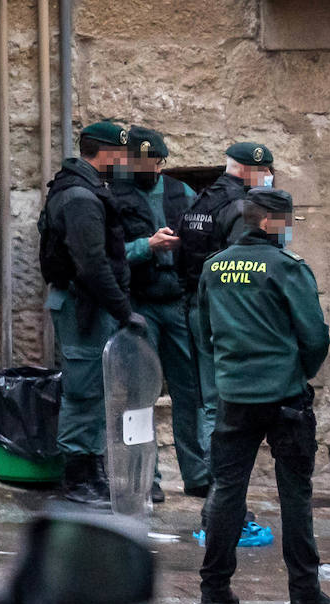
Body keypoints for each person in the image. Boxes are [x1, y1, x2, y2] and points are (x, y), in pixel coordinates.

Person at [195, 188, 330, 604]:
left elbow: (203, 333)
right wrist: (299, 372)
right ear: (268, 222)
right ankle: (304, 593)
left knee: (226, 490)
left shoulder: (214, 267)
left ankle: (215, 590)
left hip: (234, 395)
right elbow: (314, 336)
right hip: (284, 395)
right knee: (295, 493)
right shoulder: (287, 267)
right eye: (287, 221)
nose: (290, 230)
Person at [38, 119, 148, 507]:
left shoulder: (87, 189)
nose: (123, 160)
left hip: (91, 303)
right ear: (103, 152)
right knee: (83, 391)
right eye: (120, 153)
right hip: (84, 304)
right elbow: (91, 263)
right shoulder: (81, 197)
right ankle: (77, 477)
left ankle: (93, 471)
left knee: (96, 389)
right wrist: (124, 310)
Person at [109, 125, 209, 502]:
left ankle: (197, 474)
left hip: (178, 303)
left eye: (155, 161)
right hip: (140, 305)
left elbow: (203, 238)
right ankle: (144, 478)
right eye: (142, 160)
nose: (149, 167)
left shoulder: (180, 192)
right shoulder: (113, 195)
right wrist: (145, 246)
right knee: (138, 394)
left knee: (190, 392)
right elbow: (108, 251)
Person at [178, 142, 277, 450]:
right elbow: (242, 267)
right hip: (226, 312)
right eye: (265, 171)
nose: (270, 176)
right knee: (226, 398)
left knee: (208, 395)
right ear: (247, 170)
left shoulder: (201, 200)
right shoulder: (241, 206)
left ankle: (211, 476)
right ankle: (220, 477)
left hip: (196, 304)